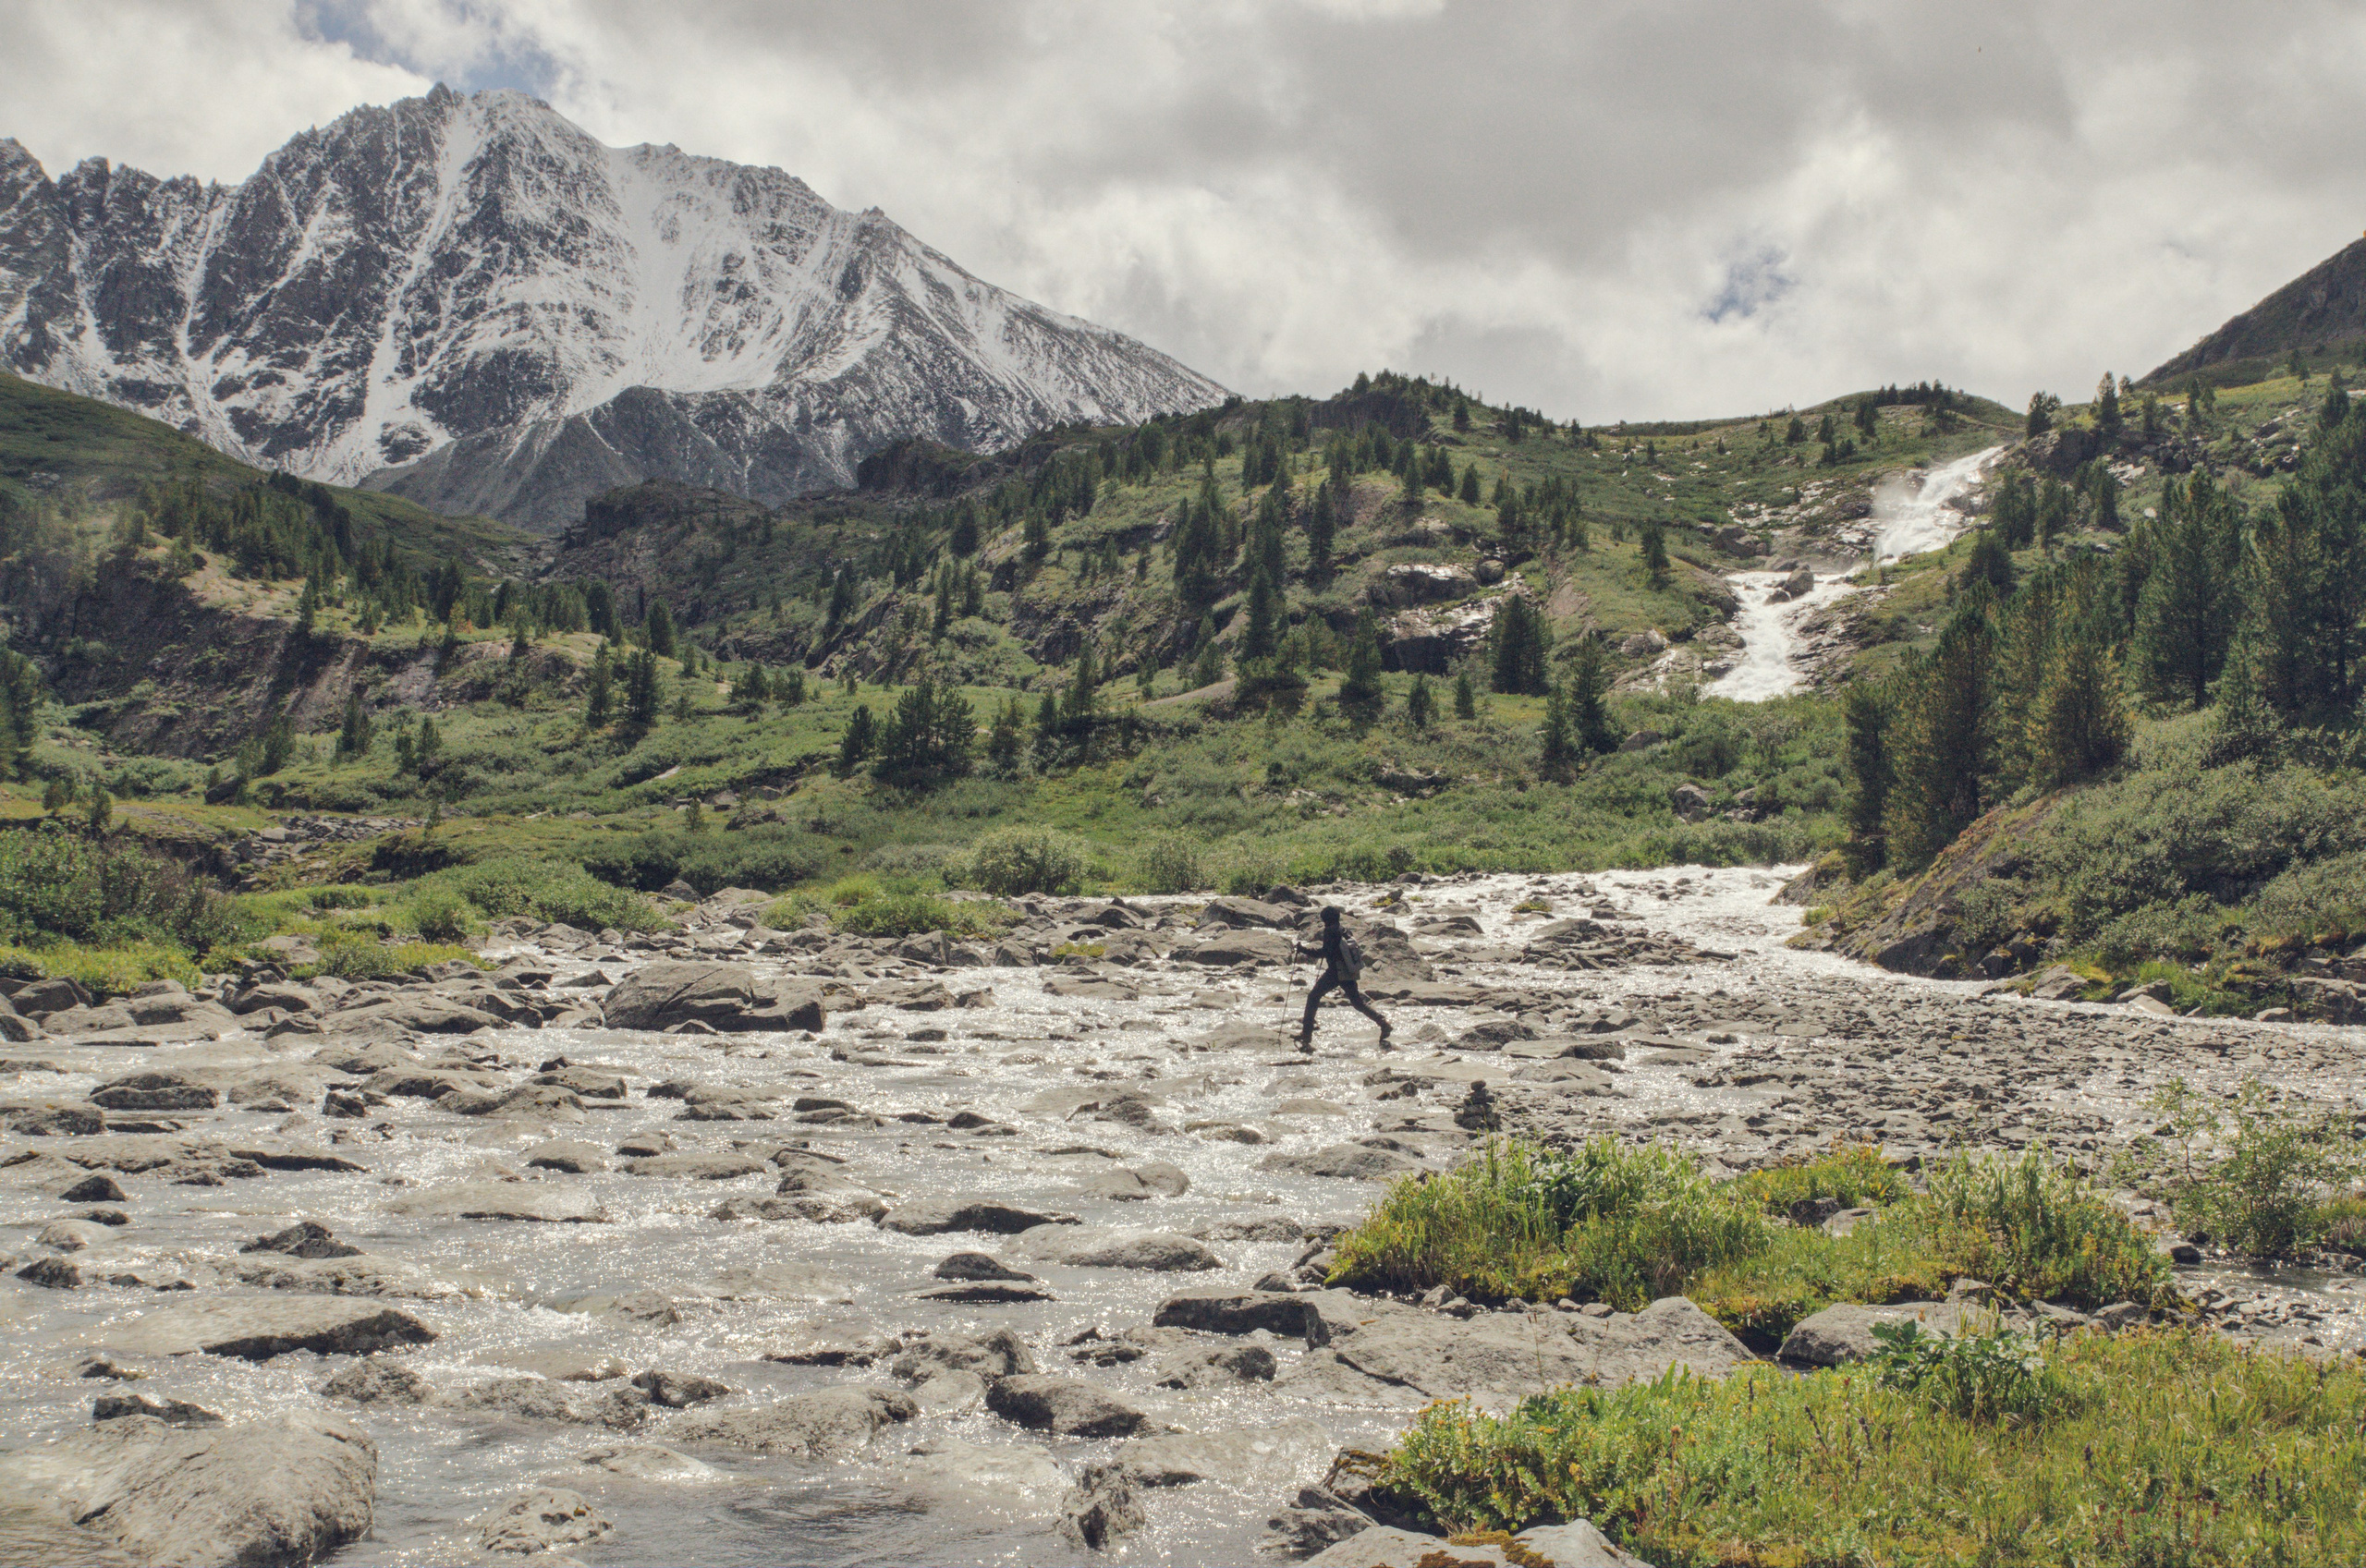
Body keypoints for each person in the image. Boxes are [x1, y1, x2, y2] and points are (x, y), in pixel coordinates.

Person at [1292, 905, 1391, 1051]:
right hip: (1348, 971)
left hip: (1335, 972)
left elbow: (1324, 953)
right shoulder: (1343, 929)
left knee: (1313, 997)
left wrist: (1303, 950)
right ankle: (1383, 1023)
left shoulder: (1330, 931)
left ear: (1326, 919)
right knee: (1358, 1003)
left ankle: (1306, 1035)